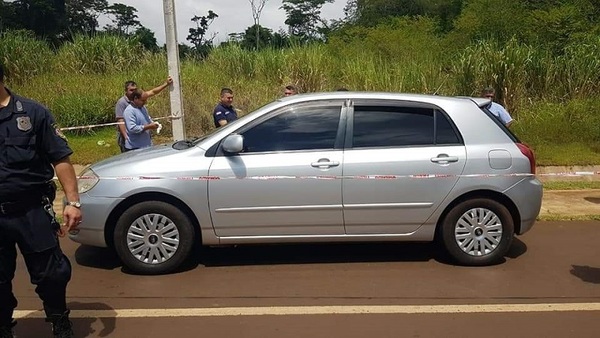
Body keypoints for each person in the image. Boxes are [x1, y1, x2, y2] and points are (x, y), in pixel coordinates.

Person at [0, 63, 82, 338]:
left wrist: (73, 202)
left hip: (31, 209)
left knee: (51, 274)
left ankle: (59, 321)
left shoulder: (33, 113)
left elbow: (60, 158)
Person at [115, 76, 172, 152]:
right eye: (131, 90)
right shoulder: (125, 106)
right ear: (135, 98)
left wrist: (166, 84)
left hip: (145, 144)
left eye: (135, 89)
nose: (145, 102)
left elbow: (153, 92)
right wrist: (126, 138)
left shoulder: (142, 105)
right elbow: (124, 124)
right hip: (134, 146)